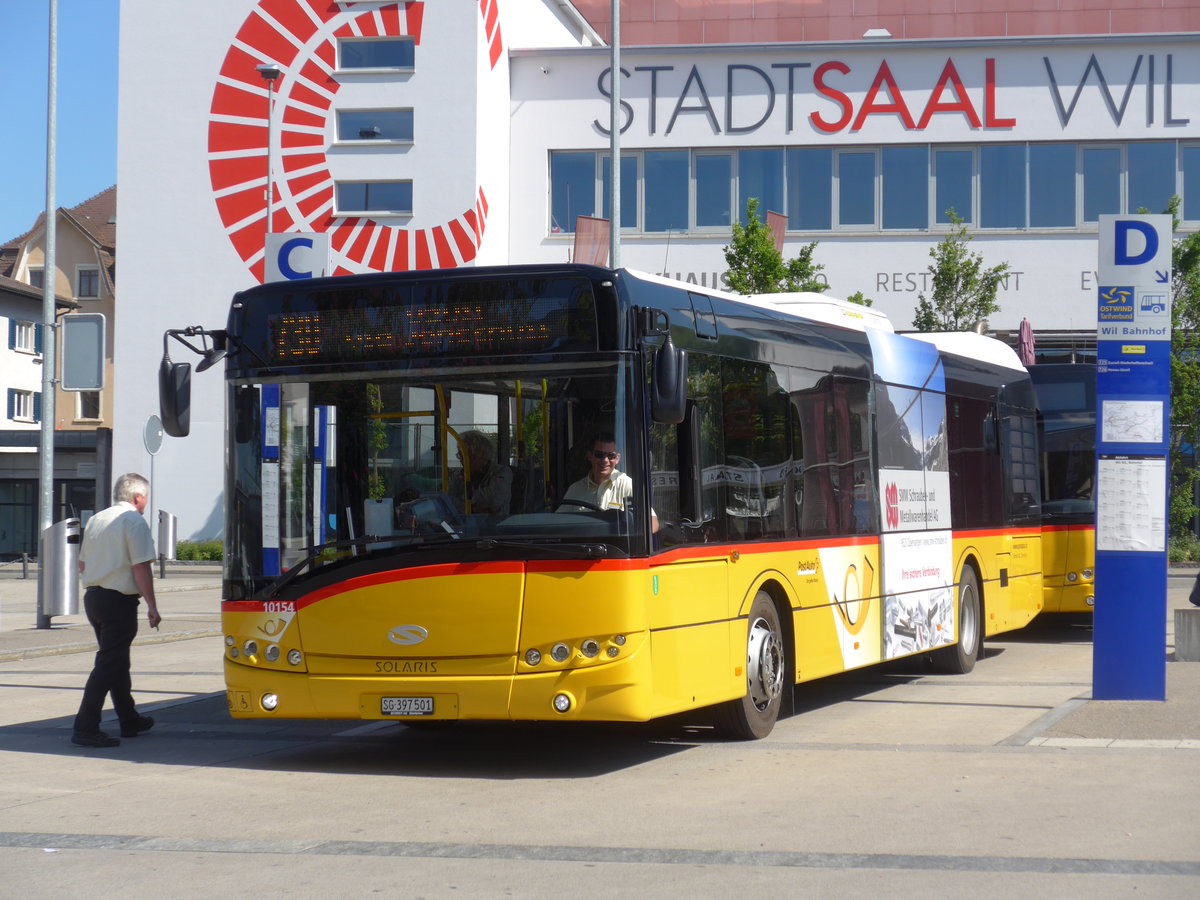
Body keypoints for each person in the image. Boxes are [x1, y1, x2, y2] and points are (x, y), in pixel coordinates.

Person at [71, 473, 162, 748]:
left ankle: (128, 718)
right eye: (145, 496)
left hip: (94, 598)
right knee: (109, 663)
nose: (146, 501)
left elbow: (82, 564)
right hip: (118, 601)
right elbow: (140, 566)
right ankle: (85, 726)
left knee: (117, 662)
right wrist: (152, 605)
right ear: (138, 497)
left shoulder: (98, 519)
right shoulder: (133, 520)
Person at [559, 433, 658, 532]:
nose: (605, 460)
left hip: (617, 546)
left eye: (611, 456)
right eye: (599, 455)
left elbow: (652, 522)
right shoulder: (575, 489)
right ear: (590, 456)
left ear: (617, 459)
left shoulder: (627, 485)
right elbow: (558, 523)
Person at [450, 430, 512, 515]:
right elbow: (448, 501)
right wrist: (473, 508)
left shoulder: (502, 472)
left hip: (494, 525)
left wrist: (464, 500)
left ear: (481, 454)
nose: (461, 459)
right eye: (459, 455)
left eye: (464, 454)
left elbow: (493, 501)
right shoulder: (458, 474)